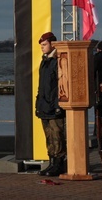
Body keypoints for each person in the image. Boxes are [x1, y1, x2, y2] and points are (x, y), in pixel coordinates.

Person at [35, 32, 66, 177]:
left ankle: (59, 163)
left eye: (44, 44)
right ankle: (52, 162)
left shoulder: (57, 60)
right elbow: (41, 87)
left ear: (52, 44)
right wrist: (38, 104)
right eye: (41, 45)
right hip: (44, 105)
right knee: (49, 136)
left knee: (57, 135)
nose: (42, 47)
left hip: (54, 106)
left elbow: (61, 85)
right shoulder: (45, 61)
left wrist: (58, 105)